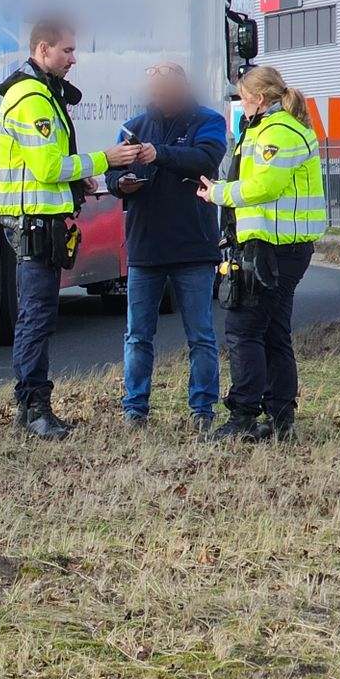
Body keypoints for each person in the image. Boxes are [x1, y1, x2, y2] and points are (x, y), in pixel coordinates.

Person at [0, 18, 143, 439]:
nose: (74, 59)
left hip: (42, 220)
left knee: (39, 317)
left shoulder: (40, 93)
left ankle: (34, 407)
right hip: (34, 222)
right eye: (67, 51)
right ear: (43, 50)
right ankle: (33, 409)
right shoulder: (32, 98)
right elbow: (46, 167)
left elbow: (47, 165)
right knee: (36, 318)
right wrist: (103, 160)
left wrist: (78, 180)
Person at [197, 65, 327, 443]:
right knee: (271, 332)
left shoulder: (278, 132)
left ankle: (242, 418)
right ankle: (281, 418)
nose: (240, 102)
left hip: (274, 249)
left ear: (258, 97)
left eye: (242, 95)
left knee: (244, 331)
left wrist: (219, 193)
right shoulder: (270, 128)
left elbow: (265, 186)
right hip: (275, 246)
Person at [107, 63, 226, 431]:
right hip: (145, 247)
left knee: (201, 336)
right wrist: (121, 183)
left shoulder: (208, 121)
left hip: (194, 247)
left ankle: (203, 410)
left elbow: (206, 159)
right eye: (154, 92)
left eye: (165, 91)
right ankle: (134, 410)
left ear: (182, 88)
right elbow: (112, 174)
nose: (158, 98)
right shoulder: (135, 127)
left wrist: (158, 154)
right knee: (137, 335)